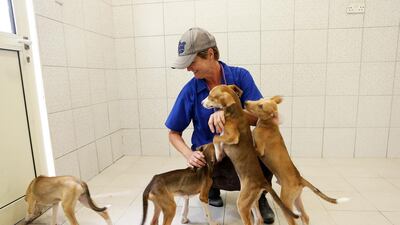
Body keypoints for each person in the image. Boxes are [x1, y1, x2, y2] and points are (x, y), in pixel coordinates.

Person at [165, 27, 275, 224]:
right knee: (208, 163)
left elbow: (263, 118)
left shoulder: (240, 76)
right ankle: (211, 186)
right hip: (210, 156)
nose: (188, 68)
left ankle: (260, 195)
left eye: (191, 62)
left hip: (237, 149)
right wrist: (189, 155)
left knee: (268, 150)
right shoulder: (190, 90)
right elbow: (173, 133)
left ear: (210, 54)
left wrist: (232, 112)